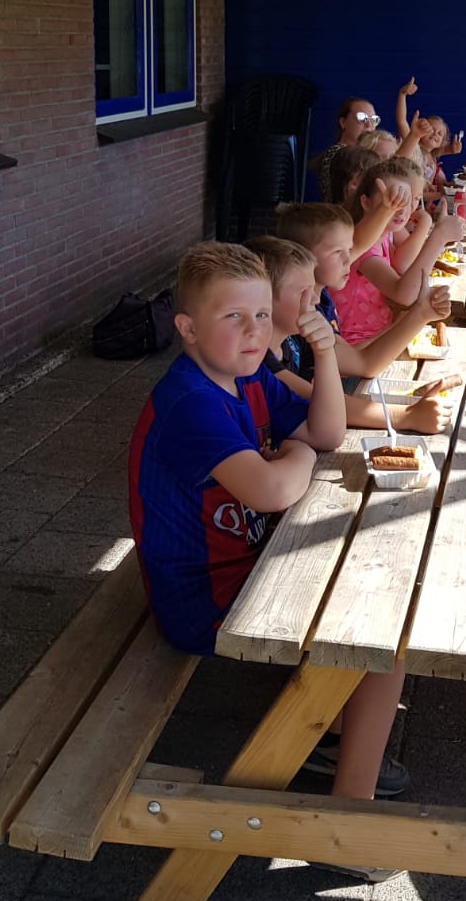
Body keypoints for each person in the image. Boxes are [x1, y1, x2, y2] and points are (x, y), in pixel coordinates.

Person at [127, 241, 409, 839]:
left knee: (376, 585)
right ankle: (350, 820)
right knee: (384, 634)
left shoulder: (247, 376)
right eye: (233, 316)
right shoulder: (190, 402)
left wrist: (325, 354)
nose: (254, 331)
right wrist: (297, 453)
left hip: (245, 566)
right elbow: (274, 490)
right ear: (188, 329)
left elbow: (326, 432)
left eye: (260, 314)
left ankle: (332, 731)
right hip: (204, 600)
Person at [247, 234, 459, 436]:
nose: (315, 299)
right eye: (303, 292)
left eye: (313, 289)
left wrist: (420, 314)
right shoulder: (256, 360)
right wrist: (408, 416)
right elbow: (328, 406)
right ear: (264, 302)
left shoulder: (295, 335)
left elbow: (363, 363)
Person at [274, 200, 452, 381]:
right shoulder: (300, 314)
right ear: (303, 257)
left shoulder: (322, 297)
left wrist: (411, 318)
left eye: (349, 250)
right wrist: (419, 315)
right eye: (337, 252)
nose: (348, 260)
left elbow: (355, 355)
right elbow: (365, 365)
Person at [332, 157, 464, 347]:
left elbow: (403, 264)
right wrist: (439, 236)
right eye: (392, 201)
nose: (401, 210)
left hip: (378, 333)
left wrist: (431, 227)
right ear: (366, 202)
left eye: (408, 201)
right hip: (356, 345)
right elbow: (405, 294)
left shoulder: (385, 233)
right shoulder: (361, 246)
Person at [310, 97, 381, 199]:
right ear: (343, 122)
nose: (369, 124)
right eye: (362, 118)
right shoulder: (339, 153)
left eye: (374, 120)